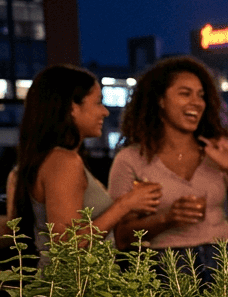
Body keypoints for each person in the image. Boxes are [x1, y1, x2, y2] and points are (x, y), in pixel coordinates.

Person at [108, 56, 228, 278]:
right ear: (160, 100)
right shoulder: (130, 159)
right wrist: (167, 219)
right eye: (185, 93)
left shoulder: (219, 150)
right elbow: (122, 237)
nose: (197, 102)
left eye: (201, 95)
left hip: (222, 261)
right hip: (163, 267)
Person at [11, 65, 160, 256]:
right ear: (73, 107)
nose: (105, 112)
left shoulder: (48, 160)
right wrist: (126, 204)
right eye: (98, 102)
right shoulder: (64, 162)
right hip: (75, 284)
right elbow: (68, 243)